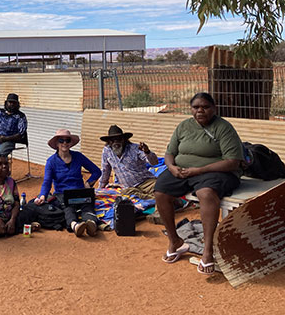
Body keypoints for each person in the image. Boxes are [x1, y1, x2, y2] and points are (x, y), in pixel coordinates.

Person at [155, 92, 243, 274]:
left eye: (205, 107)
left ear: (214, 108)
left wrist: (200, 170)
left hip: (216, 171)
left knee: (206, 193)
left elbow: (232, 162)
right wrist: (171, 167)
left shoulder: (223, 128)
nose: (200, 110)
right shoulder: (184, 126)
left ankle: (208, 250)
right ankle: (175, 240)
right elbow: (170, 152)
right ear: (191, 109)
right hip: (184, 171)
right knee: (161, 191)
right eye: (196, 107)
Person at [34, 129, 102, 237]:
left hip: (80, 191)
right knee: (68, 208)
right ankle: (75, 225)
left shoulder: (78, 156)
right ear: (56, 143)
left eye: (67, 140)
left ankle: (91, 224)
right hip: (62, 194)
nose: (64, 143)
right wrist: (43, 196)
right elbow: (47, 182)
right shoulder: (51, 161)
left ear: (71, 143)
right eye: (61, 140)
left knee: (87, 206)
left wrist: (88, 183)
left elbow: (97, 171)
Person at [97, 125, 158, 199]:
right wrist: (100, 190)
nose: (116, 142)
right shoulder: (107, 151)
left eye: (119, 139)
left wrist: (147, 152)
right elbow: (105, 171)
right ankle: (151, 197)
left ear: (124, 140)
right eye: (113, 140)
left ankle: (149, 197)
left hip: (146, 182)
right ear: (109, 142)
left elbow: (154, 162)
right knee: (127, 193)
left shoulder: (135, 148)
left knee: (161, 187)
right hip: (128, 188)